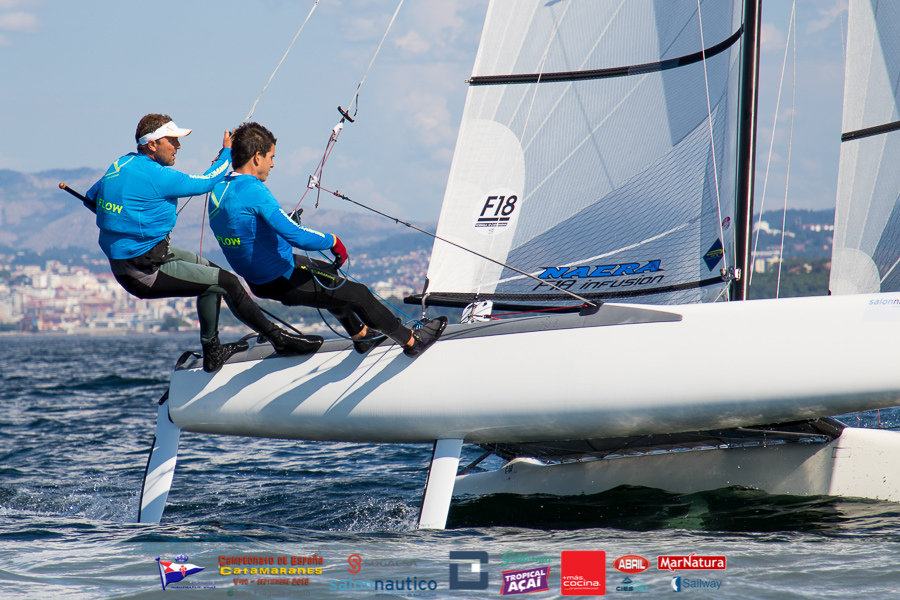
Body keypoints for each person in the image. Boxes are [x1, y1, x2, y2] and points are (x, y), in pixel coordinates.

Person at [86, 113, 323, 372]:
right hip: (144, 270)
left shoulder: (120, 164)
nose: (178, 147)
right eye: (172, 141)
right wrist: (226, 152)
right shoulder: (158, 176)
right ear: (152, 144)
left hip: (147, 255)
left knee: (215, 274)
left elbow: (91, 198)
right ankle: (281, 341)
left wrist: (126, 217)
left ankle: (212, 352)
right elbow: (208, 182)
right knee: (227, 283)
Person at [207, 122, 446, 357]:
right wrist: (333, 241)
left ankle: (361, 336)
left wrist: (227, 150)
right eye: (271, 156)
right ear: (256, 157)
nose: (273, 163)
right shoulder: (254, 191)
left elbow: (248, 228)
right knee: (359, 295)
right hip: (281, 278)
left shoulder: (219, 188)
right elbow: (296, 235)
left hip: (262, 278)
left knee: (329, 275)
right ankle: (413, 342)